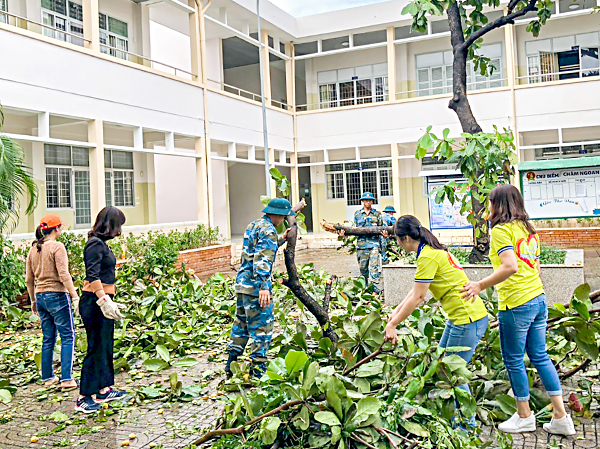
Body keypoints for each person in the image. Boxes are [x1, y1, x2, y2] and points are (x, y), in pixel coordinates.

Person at [461, 185, 575, 436]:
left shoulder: (501, 230)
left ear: (498, 205)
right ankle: (561, 416)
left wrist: (479, 285)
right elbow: (536, 266)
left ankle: (524, 416)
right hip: (538, 298)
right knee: (540, 356)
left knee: (513, 359)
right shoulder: (527, 229)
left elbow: (510, 266)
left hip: (516, 304)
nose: (488, 208)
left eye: (490, 203)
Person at [384, 215, 489, 429]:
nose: (396, 243)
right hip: (461, 317)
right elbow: (415, 291)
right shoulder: (430, 251)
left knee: (454, 373)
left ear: (405, 238)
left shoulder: (428, 257)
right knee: (441, 365)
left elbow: (419, 298)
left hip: (467, 318)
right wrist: (395, 314)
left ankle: (467, 426)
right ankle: (452, 417)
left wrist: (393, 325)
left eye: (396, 239)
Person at [225, 197, 294, 378]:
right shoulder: (269, 230)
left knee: (241, 325)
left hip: (242, 286)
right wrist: (264, 286)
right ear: (279, 215)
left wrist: (281, 239)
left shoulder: (254, 225)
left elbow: (256, 249)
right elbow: (262, 259)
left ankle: (230, 366)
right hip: (256, 289)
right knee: (261, 329)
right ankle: (257, 374)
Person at [76, 207, 128, 413]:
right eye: (119, 225)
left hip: (104, 299)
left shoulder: (103, 245)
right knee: (95, 346)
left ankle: (103, 389)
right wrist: (104, 300)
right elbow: (93, 275)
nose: (120, 230)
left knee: (105, 344)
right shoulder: (94, 245)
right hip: (94, 302)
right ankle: (84, 396)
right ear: (110, 225)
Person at [25, 214, 79, 391]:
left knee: (48, 338)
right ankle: (67, 379)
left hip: (40, 296)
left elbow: (29, 279)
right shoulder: (57, 247)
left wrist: (33, 300)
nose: (61, 230)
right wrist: (74, 295)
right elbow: (64, 275)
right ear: (55, 229)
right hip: (57, 295)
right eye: (60, 227)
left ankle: (48, 377)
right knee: (68, 335)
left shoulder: (34, 249)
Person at [339, 192, 384, 293]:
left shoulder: (377, 214)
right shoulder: (357, 214)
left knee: (374, 269)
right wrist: (345, 234)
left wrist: (384, 237)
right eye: (366, 200)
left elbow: (382, 228)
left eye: (370, 200)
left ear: (372, 201)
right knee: (363, 269)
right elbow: (353, 229)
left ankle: (375, 290)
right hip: (361, 246)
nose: (368, 202)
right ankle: (365, 289)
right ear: (363, 201)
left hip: (374, 246)